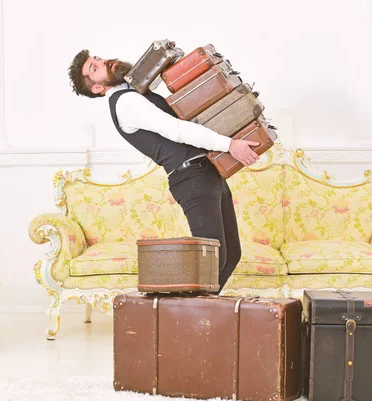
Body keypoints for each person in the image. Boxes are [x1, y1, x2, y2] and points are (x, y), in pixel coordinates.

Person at [67, 50, 260, 291]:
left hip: (207, 172)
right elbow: (176, 130)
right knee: (211, 262)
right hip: (192, 179)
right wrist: (230, 145)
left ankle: (204, 318)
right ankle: (188, 322)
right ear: (97, 88)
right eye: (94, 69)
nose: (103, 62)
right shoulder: (126, 102)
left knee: (230, 256)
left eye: (98, 59)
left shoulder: (133, 91)